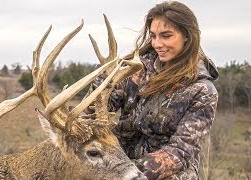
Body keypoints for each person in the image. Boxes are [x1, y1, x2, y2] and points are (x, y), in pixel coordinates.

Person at [87, 1, 219, 179]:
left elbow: (180, 151)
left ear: (187, 36)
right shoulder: (135, 70)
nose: (157, 44)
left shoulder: (202, 91)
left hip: (167, 172)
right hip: (118, 160)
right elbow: (92, 115)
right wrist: (102, 86)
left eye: (166, 36)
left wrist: (130, 173)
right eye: (153, 36)